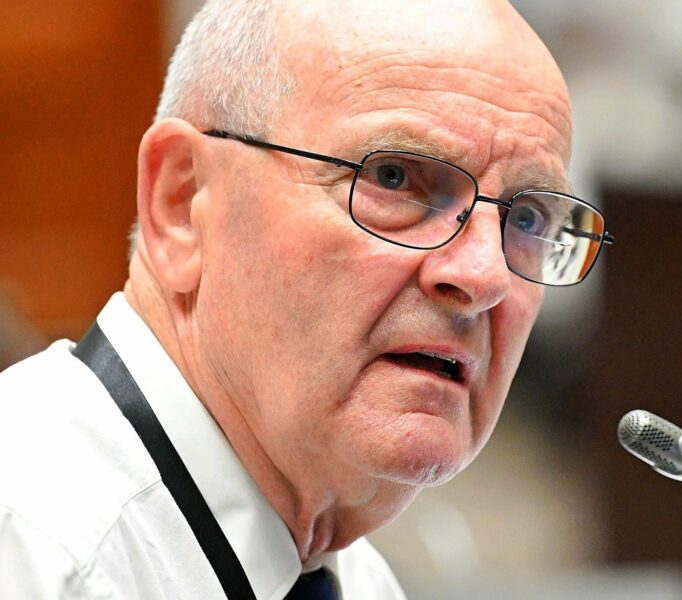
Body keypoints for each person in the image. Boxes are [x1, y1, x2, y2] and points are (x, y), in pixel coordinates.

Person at [0, 0, 613, 598]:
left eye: (528, 219)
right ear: (183, 204)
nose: (483, 277)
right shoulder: (35, 548)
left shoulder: (355, 578)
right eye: (394, 178)